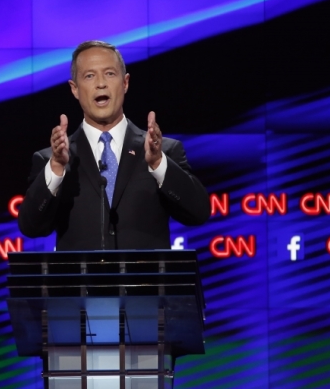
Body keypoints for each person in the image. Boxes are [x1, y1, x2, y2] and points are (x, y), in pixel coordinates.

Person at [18, 41, 210, 250]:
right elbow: (31, 227)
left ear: (125, 83)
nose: (101, 83)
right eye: (89, 76)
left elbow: (198, 213)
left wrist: (158, 164)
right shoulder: (51, 160)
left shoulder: (164, 152)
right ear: (74, 89)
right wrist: (56, 168)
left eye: (109, 74)